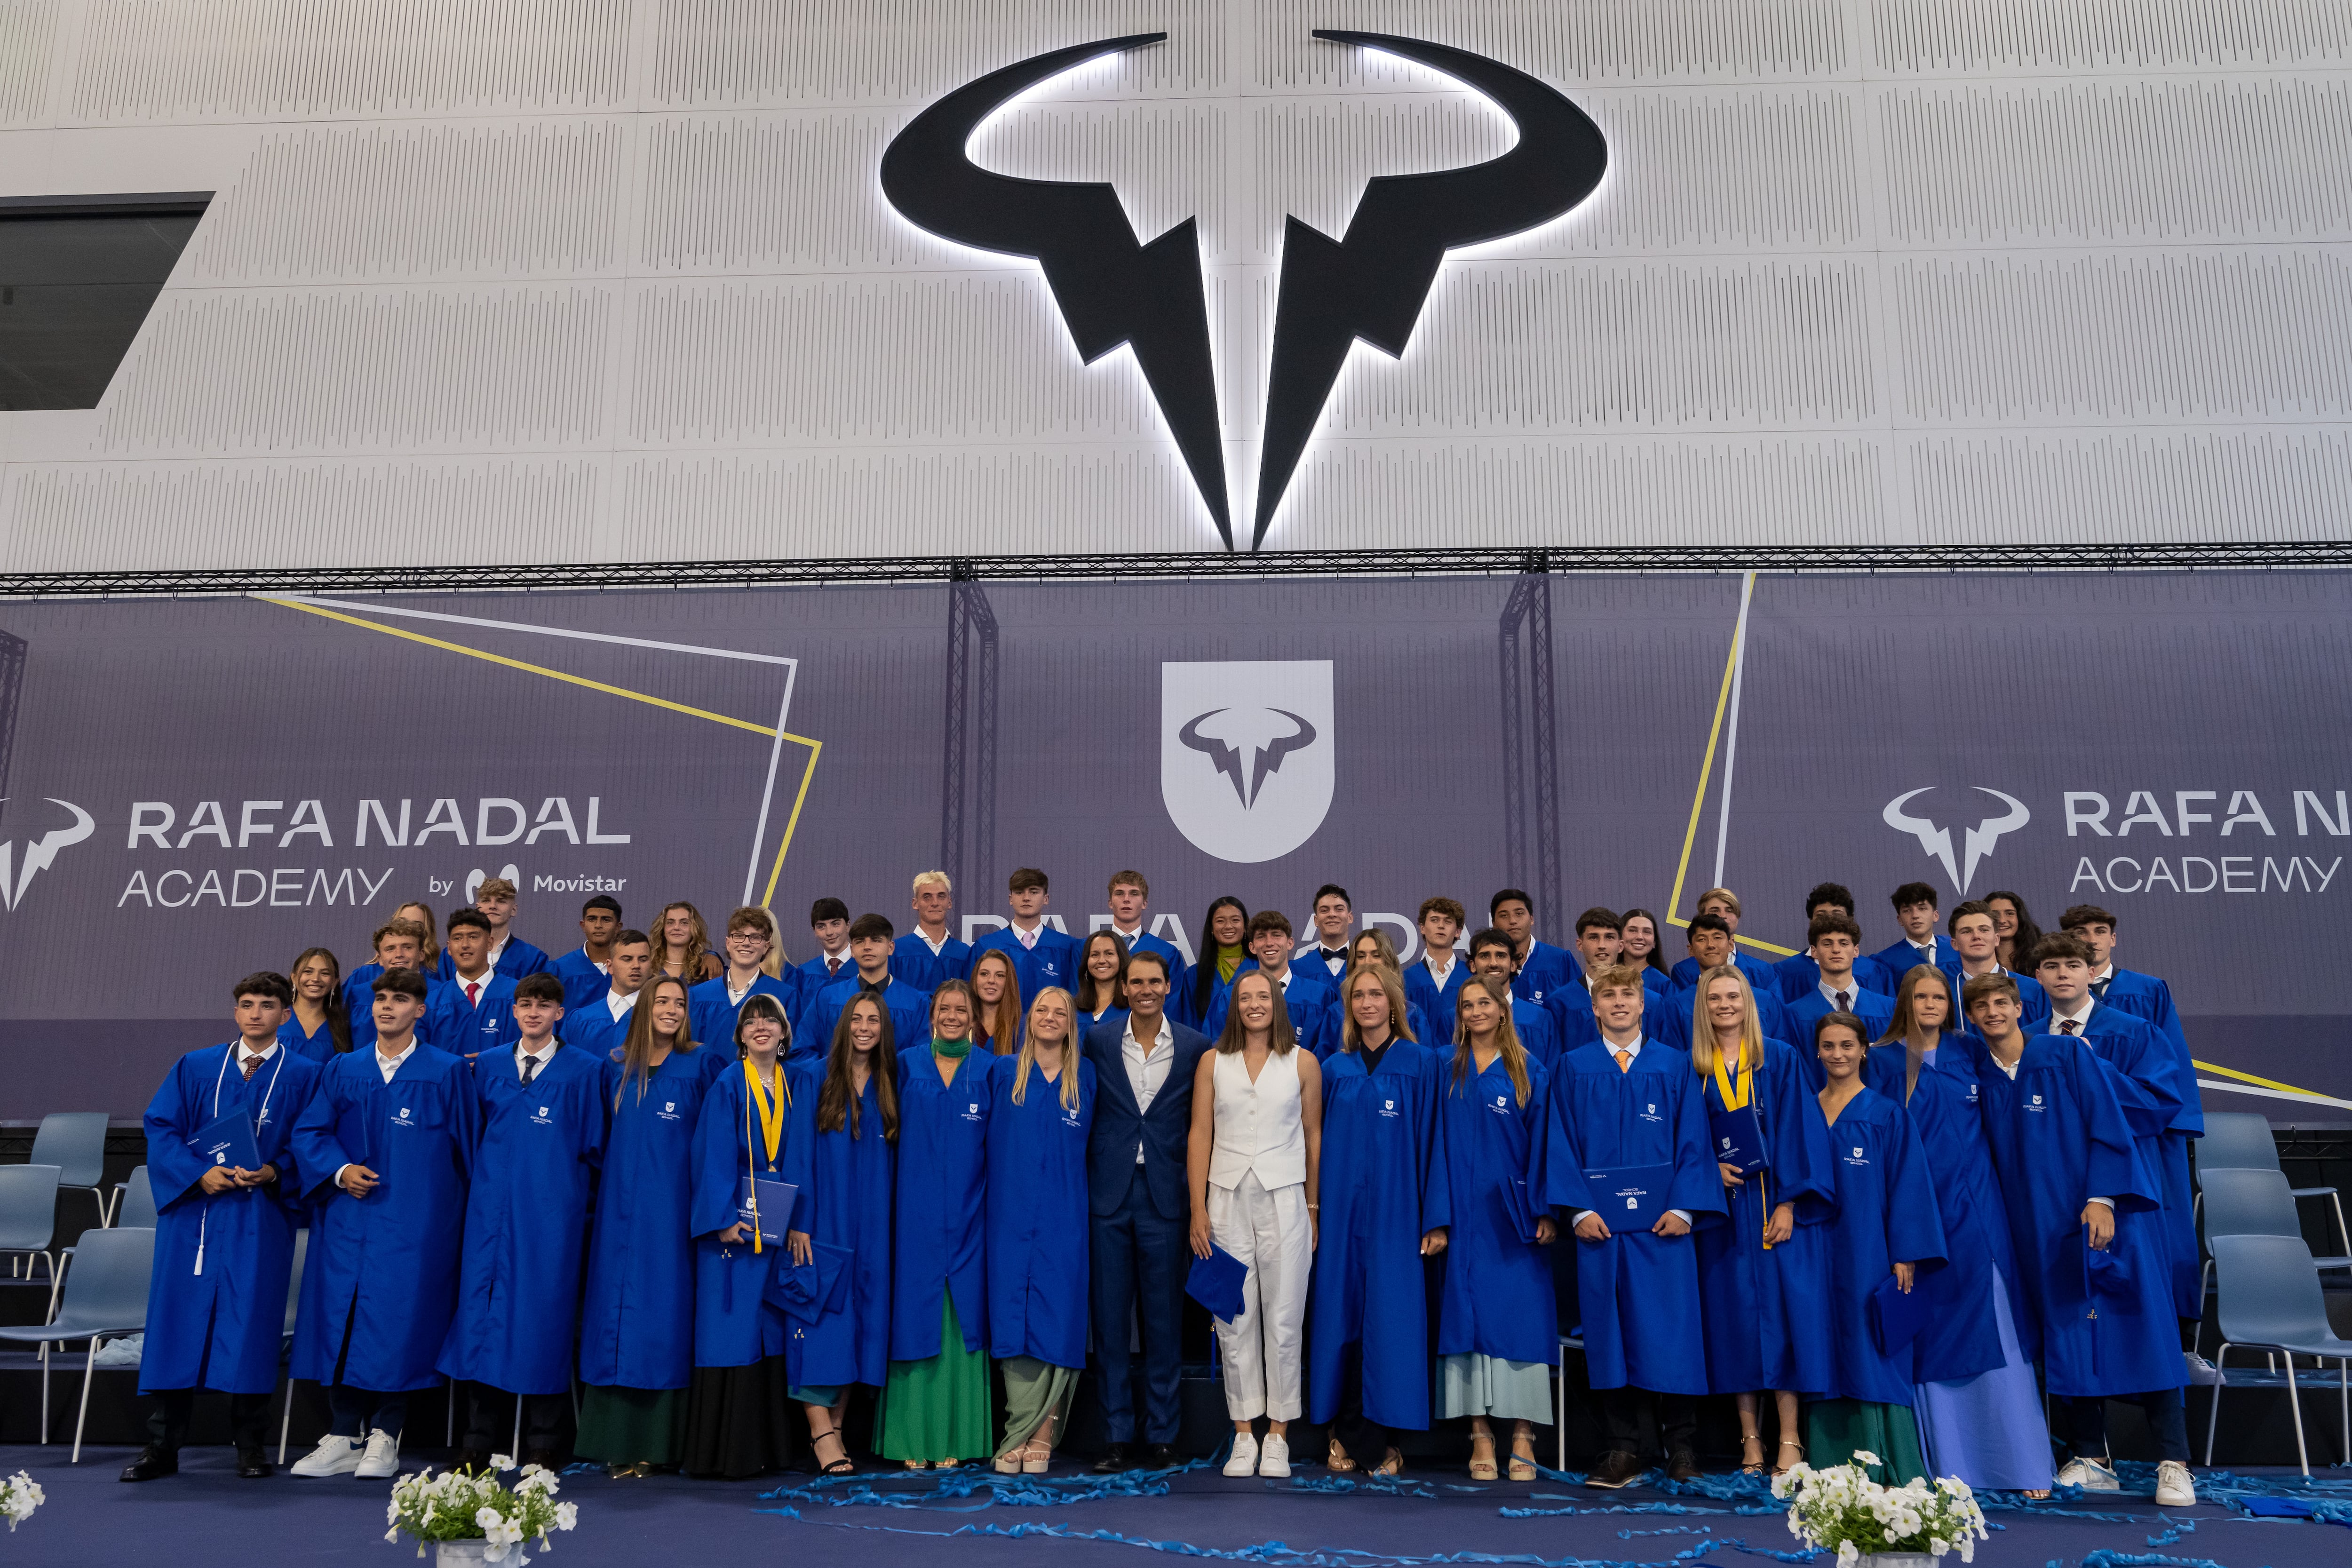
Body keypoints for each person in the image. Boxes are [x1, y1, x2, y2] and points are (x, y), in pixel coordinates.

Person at [1963, 973, 2196, 1508]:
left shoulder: (2064, 1054)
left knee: (2143, 1329)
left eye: (2001, 1002)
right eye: (1981, 1007)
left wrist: (2103, 1196)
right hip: (2038, 1232)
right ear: (1971, 1017)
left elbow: (2109, 1122)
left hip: (2100, 1217)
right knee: (2065, 1336)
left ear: (2020, 1007)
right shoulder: (1981, 1074)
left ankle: (2174, 1461)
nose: (1993, 1013)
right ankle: (2091, 1457)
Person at [123, 971, 324, 1483]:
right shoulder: (195, 1066)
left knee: (252, 1327)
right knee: (176, 1326)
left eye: (267, 1005)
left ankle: (250, 1446)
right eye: (247, 1004)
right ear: (235, 1011)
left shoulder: (305, 1074)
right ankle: (161, 1446)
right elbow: (162, 1127)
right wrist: (198, 1173)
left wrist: (276, 1170)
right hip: (197, 1217)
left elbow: (311, 1140)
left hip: (259, 1216)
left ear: (285, 1013)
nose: (256, 1013)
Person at [289, 968, 478, 1479]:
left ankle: (385, 1435)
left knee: (401, 1325)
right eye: (380, 998)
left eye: (399, 999)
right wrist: (341, 1169)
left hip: (418, 1225)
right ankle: (343, 1431)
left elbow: (470, 1150)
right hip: (349, 1221)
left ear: (421, 1010)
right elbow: (310, 1132)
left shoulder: (446, 1071)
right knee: (343, 1324)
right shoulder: (344, 1068)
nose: (386, 1006)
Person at [1868, 974, 2052, 1496]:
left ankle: (2018, 1464)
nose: (1929, 1004)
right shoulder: (1882, 1061)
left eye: (1937, 997)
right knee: (1933, 1335)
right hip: (1916, 1215)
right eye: (1920, 996)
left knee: (1996, 1325)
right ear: (1905, 1000)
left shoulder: (1969, 1052)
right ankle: (1950, 1467)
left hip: (1978, 1211)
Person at [1544, 964, 1723, 1488]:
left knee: (1671, 1334)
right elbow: (1559, 1146)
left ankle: (1680, 1446)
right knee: (1609, 1336)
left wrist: (1685, 1209)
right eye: (1609, 996)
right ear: (1593, 1008)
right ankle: (1620, 1448)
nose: (1619, 1003)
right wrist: (1577, 1210)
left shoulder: (1672, 1066)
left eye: (1628, 994)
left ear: (1643, 1004)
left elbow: (1694, 1142)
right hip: (1599, 1232)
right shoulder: (1572, 1067)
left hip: (1662, 1230)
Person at [440, 971, 604, 1472]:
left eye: (544, 1006)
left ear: (560, 1013)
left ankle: (542, 1443)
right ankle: (478, 1441)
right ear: (513, 1011)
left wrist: (565, 1203)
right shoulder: (487, 1066)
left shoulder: (584, 1070)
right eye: (525, 1005)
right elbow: (470, 1140)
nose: (533, 1013)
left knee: (543, 1325)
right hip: (489, 1217)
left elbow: (594, 1147)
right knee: (484, 1324)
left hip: (551, 1219)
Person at [1689, 966, 1836, 1480]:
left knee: (1782, 1323)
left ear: (1747, 1003)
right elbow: (1681, 1142)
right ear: (1702, 1007)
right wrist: (1706, 1170)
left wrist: (1790, 1203)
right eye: (1714, 998)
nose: (1724, 1005)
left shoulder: (1779, 1057)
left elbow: (1800, 1132)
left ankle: (1790, 1440)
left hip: (1773, 1209)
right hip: (1723, 1216)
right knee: (1734, 1325)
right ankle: (1750, 1441)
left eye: (1733, 996)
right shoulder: (1695, 1066)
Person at [1310, 964, 1449, 1477]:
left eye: (1375, 994)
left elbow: (1437, 1142)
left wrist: (1435, 1220)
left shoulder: (1420, 1063)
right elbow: (1312, 1146)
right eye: (1358, 996)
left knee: (1390, 1322)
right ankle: (1341, 1431)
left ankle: (1381, 1440)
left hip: (1399, 1211)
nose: (1367, 1003)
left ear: (1393, 1004)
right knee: (1339, 1318)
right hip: (1342, 1212)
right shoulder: (1334, 1068)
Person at [1188, 969, 1323, 1480]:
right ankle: (1242, 1433)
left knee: (1284, 1318)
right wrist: (1198, 1207)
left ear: (1277, 1003)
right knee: (1232, 1318)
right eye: (1244, 998)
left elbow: (1313, 1138)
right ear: (1233, 1005)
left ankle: (1278, 1435)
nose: (1254, 1005)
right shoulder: (1211, 1062)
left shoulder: (1303, 1063)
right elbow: (1200, 1132)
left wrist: (1313, 1208)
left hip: (1286, 1198)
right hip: (1224, 1199)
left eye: (1262, 996)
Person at [2035, 930, 2200, 1337]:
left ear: (2091, 973)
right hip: (2055, 1189)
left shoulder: (2135, 1033)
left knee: (2134, 1306)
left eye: (2073, 966)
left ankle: (2158, 1395)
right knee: (2068, 1310)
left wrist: (2091, 1067)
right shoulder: (2030, 1040)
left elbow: (2159, 1103)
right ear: (2037, 975)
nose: (2063, 975)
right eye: (2052, 967)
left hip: (2123, 1183)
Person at [577, 975, 711, 1476]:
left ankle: (656, 1443)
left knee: (661, 1319)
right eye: (663, 1001)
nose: (672, 1009)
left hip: (671, 1214)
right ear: (645, 1007)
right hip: (616, 1216)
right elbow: (595, 1145)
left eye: (680, 1003)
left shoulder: (701, 1063)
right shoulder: (614, 1066)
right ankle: (612, 1442)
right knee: (612, 1318)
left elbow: (713, 1144)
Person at [1083, 951, 1211, 1471]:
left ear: (1168, 986)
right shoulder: (1095, 1040)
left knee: (1163, 1322)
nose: (1144, 989)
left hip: (1165, 1196)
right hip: (1108, 1194)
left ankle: (1162, 1434)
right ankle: (1116, 1434)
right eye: (1136, 982)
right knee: (1110, 1323)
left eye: (1154, 981)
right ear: (1123, 987)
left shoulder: (1195, 1047)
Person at [1807, 1012, 1946, 1486]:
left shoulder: (1886, 1114)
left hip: (1869, 1248)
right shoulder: (1805, 1111)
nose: (1838, 1055)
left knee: (1870, 1344)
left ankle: (1886, 1458)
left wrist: (1905, 1253)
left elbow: (1909, 1187)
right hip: (1812, 1250)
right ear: (1817, 1052)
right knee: (1821, 1344)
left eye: (1847, 1045)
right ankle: (1829, 1464)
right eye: (1828, 1046)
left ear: (1863, 1050)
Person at [1435, 975, 1556, 1481]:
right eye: (1467, 1005)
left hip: (1513, 1216)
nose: (1476, 1012)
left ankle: (1523, 1433)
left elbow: (1550, 1147)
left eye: (1484, 1003)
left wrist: (1546, 1211)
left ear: (1503, 1009)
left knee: (1519, 1319)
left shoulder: (1530, 1071)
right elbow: (1430, 1147)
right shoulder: (1444, 1069)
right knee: (1466, 1317)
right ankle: (1480, 1432)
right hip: (1462, 1216)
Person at [877, 981, 994, 1469]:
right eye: (943, 1008)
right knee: (914, 1315)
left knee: (963, 1317)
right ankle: (912, 1441)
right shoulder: (904, 1065)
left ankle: (958, 1439)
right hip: (913, 1216)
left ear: (973, 1017)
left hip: (972, 1214)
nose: (951, 1015)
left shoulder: (991, 1069)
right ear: (931, 1017)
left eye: (960, 1009)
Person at [785, 994, 899, 1475]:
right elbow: (797, 1152)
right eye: (857, 1018)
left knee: (861, 1326)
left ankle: (835, 1426)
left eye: (874, 1020)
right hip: (823, 1220)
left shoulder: (890, 1085)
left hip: (873, 1222)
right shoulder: (814, 1077)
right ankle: (819, 1430)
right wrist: (798, 1220)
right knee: (820, 1321)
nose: (865, 1027)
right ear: (842, 1025)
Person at [684, 993, 798, 1480]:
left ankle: (770, 1448)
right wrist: (723, 1218)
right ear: (739, 1035)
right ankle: (725, 1452)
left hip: (777, 1226)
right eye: (750, 1021)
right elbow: (711, 1153)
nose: (760, 1026)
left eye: (769, 1019)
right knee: (730, 1333)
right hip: (736, 1229)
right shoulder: (730, 1082)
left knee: (769, 1333)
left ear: (784, 1031)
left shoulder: (796, 1084)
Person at [987, 987, 1097, 1473]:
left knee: (1059, 1317)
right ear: (1028, 1020)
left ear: (1072, 1024)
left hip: (1064, 1217)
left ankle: (1044, 1430)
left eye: (1060, 1012)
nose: (1050, 1018)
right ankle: (1017, 1429)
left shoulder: (1087, 1079)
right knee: (1013, 1317)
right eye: (1042, 1011)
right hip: (1009, 1216)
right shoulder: (1002, 1073)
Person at [1202, 910, 1335, 1057]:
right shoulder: (1230, 997)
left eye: (1277, 935)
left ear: (1290, 943)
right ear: (1252, 947)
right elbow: (1217, 1051)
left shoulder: (1319, 995)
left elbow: (1328, 1053)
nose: (1270, 943)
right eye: (1261, 937)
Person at [797, 914, 931, 1059]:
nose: (867, 947)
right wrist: (836, 1073)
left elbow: (922, 1059)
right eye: (860, 942)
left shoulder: (916, 1003)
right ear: (853, 950)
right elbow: (803, 1052)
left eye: (876, 941)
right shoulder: (827, 998)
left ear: (891, 948)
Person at [1785, 915, 1895, 1085]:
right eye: (1827, 943)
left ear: (1856, 950)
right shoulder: (1794, 1015)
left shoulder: (1887, 1009)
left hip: (1878, 1107)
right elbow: (1797, 1075)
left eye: (1844, 943)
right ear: (1814, 951)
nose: (1836, 950)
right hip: (1820, 1107)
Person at [691, 905, 804, 1052]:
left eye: (755, 937)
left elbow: (792, 1052)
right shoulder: (699, 995)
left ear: (766, 946)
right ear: (728, 943)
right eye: (738, 936)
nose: (746, 943)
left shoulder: (785, 996)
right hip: (706, 1076)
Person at [969, 867, 1082, 1000]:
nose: (1026, 898)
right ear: (1011, 899)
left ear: (1046, 899)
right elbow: (972, 997)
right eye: (1019, 892)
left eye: (1034, 892)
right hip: (1001, 1021)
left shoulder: (1067, 947)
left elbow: (1076, 999)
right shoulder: (986, 946)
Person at [343, 917, 450, 1054]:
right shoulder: (358, 995)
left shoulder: (442, 994)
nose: (399, 955)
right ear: (380, 958)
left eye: (407, 947)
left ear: (422, 954)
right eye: (390, 949)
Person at [1773, 884, 1897, 1000]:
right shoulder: (1785, 972)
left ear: (1851, 918)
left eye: (1837, 915)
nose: (1829, 921)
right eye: (1821, 916)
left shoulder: (1874, 972)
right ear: (1811, 920)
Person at [1943, 900, 2048, 1027]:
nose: (1976, 936)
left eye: (1984, 930)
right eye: (1966, 931)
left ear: (1997, 939)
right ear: (1954, 944)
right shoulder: (1943, 994)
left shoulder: (2034, 991)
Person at [435, 907, 520, 1061]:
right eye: (457, 938)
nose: (465, 945)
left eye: (473, 937)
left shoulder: (517, 995)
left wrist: (492, 1063)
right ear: (449, 948)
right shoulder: (432, 1002)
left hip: (501, 1083)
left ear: (489, 943)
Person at [1467, 927, 1562, 1063]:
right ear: (1473, 965)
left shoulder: (1540, 1019)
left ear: (1513, 964)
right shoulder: (1457, 1018)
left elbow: (1550, 1075)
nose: (1493, 963)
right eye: (1485, 956)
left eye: (1501, 956)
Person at [1544, 907, 1624, 1053]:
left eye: (1609, 937)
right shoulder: (1559, 1003)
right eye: (1594, 937)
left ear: (1621, 946)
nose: (1602, 945)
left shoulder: (1646, 1001)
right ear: (1580, 945)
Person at [569, 929, 654, 1060]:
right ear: (610, 967)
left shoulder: (658, 1018)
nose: (636, 966)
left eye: (643, 960)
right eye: (627, 959)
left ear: (651, 968)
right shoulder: (580, 1020)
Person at [1669, 889, 1775, 994]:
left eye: (1729, 910)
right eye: (1715, 911)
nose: (1723, 916)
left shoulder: (1762, 970)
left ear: (1738, 917)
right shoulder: (1683, 971)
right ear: (1702, 917)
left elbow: (1775, 1007)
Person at [1489, 888, 1580, 1007]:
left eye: (1519, 914)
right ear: (1494, 923)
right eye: (1504, 916)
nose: (1513, 921)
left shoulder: (1560, 960)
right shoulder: (1488, 965)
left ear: (1532, 919)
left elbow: (1577, 1008)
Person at [1104, 870, 1187, 998]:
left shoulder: (1167, 952)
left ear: (1144, 904)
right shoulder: (1090, 949)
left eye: (1134, 894)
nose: (1126, 900)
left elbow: (1171, 1004)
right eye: (1120, 894)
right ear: (1110, 903)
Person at [455, 876, 550, 981]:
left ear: (514, 910)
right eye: (486, 901)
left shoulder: (532, 958)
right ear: (478, 908)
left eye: (501, 901)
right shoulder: (455, 954)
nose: (493, 906)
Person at [898, 870, 973, 996]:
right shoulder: (897, 952)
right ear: (915, 903)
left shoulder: (965, 954)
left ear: (949, 903)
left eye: (941, 896)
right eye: (927, 897)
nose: (935, 903)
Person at [1178, 896, 1249, 1029]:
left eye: (1235, 920)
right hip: (1208, 1049)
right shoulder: (1194, 976)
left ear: (1245, 927)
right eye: (1220, 921)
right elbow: (1189, 1025)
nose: (1228, 926)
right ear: (1211, 928)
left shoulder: (1260, 969)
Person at [1404, 896, 1468, 1041]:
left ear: (1458, 932)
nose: (1441, 926)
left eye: (1448, 921)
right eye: (1434, 920)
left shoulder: (1471, 978)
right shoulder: (1407, 979)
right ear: (1422, 928)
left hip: (1462, 1058)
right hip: (1419, 1059)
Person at [552, 895, 625, 1014]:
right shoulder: (561, 969)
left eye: (606, 920)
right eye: (592, 919)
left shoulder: (631, 968)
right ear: (583, 925)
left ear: (618, 927)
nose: (598, 925)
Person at [281, 946, 352, 1059]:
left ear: (334, 982)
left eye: (325, 973)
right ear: (294, 978)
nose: (316, 979)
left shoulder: (343, 1028)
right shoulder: (275, 1019)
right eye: (308, 972)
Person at [1873, 883, 1956, 978]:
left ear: (1935, 916)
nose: (1915, 916)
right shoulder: (1886, 961)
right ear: (1900, 920)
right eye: (1907, 911)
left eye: (1922, 908)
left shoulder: (1957, 949)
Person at [652, 900, 725, 984]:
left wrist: (710, 956)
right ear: (662, 929)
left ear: (695, 929)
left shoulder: (705, 964)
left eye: (684, 923)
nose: (676, 927)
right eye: (670, 923)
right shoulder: (649, 962)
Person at [969, 947, 1025, 1055]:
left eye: (1000, 976)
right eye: (984, 974)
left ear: (1009, 982)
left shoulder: (1023, 1027)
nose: (991, 981)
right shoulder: (963, 1022)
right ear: (975, 978)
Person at [1295, 883, 1356, 981]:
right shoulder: (1298, 969)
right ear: (1316, 920)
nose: (1332, 914)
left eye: (1339, 909)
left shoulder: (1365, 964)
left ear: (1350, 917)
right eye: (1324, 910)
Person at [1076, 930, 1131, 1035]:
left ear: (1121, 959)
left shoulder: (1132, 1008)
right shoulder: (1073, 1009)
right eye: (1095, 955)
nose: (1102, 960)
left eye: (1109, 954)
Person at [1618, 908, 1676, 996]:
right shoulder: (1606, 977)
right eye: (1633, 930)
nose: (1640, 937)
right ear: (1620, 937)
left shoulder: (1663, 983)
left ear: (1654, 943)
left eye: (1647, 932)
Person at [801, 897, 854, 987]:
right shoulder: (804, 973)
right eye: (821, 927)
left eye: (835, 924)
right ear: (815, 931)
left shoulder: (866, 968)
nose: (829, 932)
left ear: (848, 926)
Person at [1986, 891, 2042, 976]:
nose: (2002, 921)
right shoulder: (1976, 960)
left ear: (2020, 918)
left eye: (2010, 914)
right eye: (1995, 914)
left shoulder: (2041, 957)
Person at [393, 901, 443, 978]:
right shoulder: (371, 972)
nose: (408, 928)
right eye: (402, 922)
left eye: (417, 925)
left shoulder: (438, 974)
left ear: (428, 932)